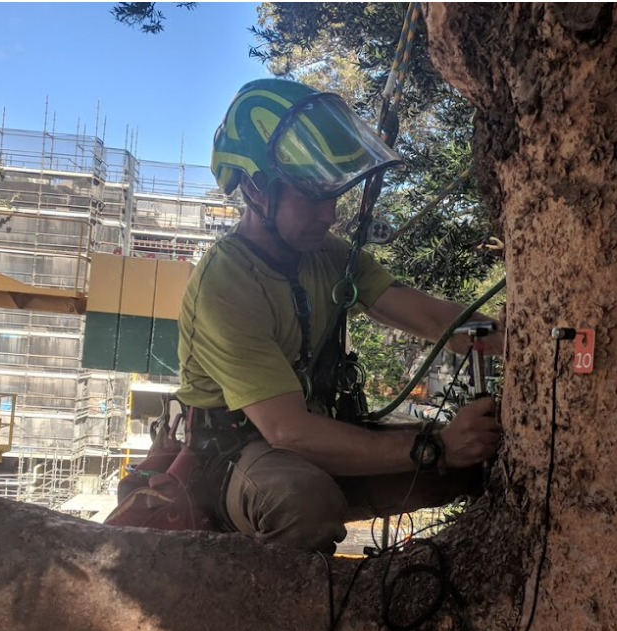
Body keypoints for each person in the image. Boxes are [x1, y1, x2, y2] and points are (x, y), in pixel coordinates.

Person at [175, 78, 503, 553]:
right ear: (253, 188)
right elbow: (286, 431)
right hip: (232, 454)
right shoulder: (224, 283)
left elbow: (430, 319)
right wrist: (436, 446)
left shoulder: (326, 254)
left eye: (332, 194)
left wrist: (505, 334)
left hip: (308, 437)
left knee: (469, 464)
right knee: (301, 500)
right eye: (312, 194)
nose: (329, 214)